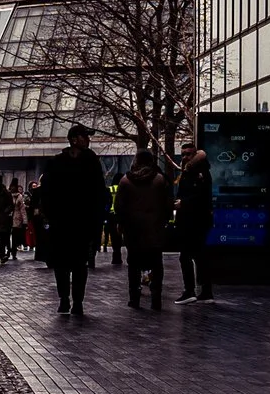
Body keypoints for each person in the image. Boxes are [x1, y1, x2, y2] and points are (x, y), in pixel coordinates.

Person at [40, 124, 109, 315]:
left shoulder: (91, 162)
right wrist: (50, 215)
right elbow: (46, 192)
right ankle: (64, 299)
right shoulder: (57, 162)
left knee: (80, 265)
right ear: (74, 139)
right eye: (85, 136)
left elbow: (98, 193)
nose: (88, 140)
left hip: (83, 224)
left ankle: (78, 300)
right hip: (61, 224)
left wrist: (96, 220)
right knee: (62, 265)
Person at [116, 148, 175, 309]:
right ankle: (156, 298)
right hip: (154, 229)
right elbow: (168, 204)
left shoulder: (125, 181)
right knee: (156, 264)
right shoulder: (160, 180)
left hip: (133, 231)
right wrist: (163, 220)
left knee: (133, 265)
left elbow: (119, 207)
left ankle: (134, 298)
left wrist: (121, 224)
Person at [173, 143, 216, 302]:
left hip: (193, 220)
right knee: (199, 256)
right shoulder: (192, 171)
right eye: (183, 154)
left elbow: (200, 197)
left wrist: (182, 204)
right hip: (195, 220)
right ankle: (205, 291)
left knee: (186, 256)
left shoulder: (197, 172)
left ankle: (190, 291)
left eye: (188, 154)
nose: (184, 157)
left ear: (194, 154)